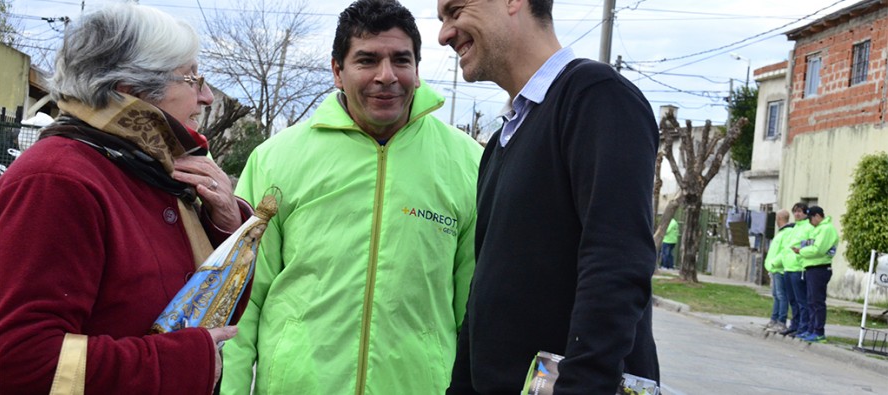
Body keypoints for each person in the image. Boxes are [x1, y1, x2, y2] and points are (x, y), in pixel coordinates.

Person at [220, 0, 482, 393]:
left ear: (417, 68)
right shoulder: (275, 160)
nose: (387, 76)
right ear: (337, 71)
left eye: (401, 60)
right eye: (367, 60)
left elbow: (474, 310)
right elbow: (240, 298)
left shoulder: (469, 163)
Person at [0, 4, 252, 394]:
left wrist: (226, 226)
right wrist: (184, 362)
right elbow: (19, 360)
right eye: (192, 78)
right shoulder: (57, 180)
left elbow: (198, 310)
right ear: (132, 90)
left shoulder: (144, 170)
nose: (204, 97)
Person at [437, 0, 660, 393]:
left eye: (455, 11)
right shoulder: (502, 142)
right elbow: (484, 293)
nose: (444, 34)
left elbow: (616, 264)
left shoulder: (596, 97)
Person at [793, 206, 839, 343]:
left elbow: (818, 250)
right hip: (811, 267)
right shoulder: (816, 229)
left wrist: (801, 251)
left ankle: (819, 331)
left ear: (818, 216)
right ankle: (811, 329)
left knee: (817, 301)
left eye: (811, 218)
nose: (810, 222)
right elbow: (810, 246)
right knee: (810, 301)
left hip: (820, 268)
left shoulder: (826, 229)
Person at [781, 202, 813, 337]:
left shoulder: (808, 227)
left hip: (798, 268)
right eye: (795, 212)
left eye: (800, 211)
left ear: (806, 213)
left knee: (801, 300)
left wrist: (800, 260)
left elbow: (807, 246)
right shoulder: (794, 227)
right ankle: (794, 325)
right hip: (788, 267)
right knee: (792, 300)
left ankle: (802, 326)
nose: (797, 214)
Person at [763, 210, 792, 333]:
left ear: (779, 218)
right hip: (775, 269)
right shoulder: (781, 233)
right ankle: (774, 319)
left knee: (781, 295)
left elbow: (784, 252)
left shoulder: (787, 233)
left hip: (780, 269)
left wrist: (775, 263)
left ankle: (781, 321)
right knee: (776, 295)